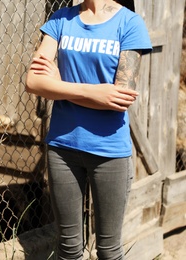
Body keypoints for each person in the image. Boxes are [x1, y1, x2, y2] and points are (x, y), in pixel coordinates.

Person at [25, 0, 152, 259]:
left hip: (109, 151)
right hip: (62, 148)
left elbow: (119, 100)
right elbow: (33, 81)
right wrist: (93, 91)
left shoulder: (130, 24)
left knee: (108, 250)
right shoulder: (60, 20)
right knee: (68, 249)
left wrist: (59, 85)